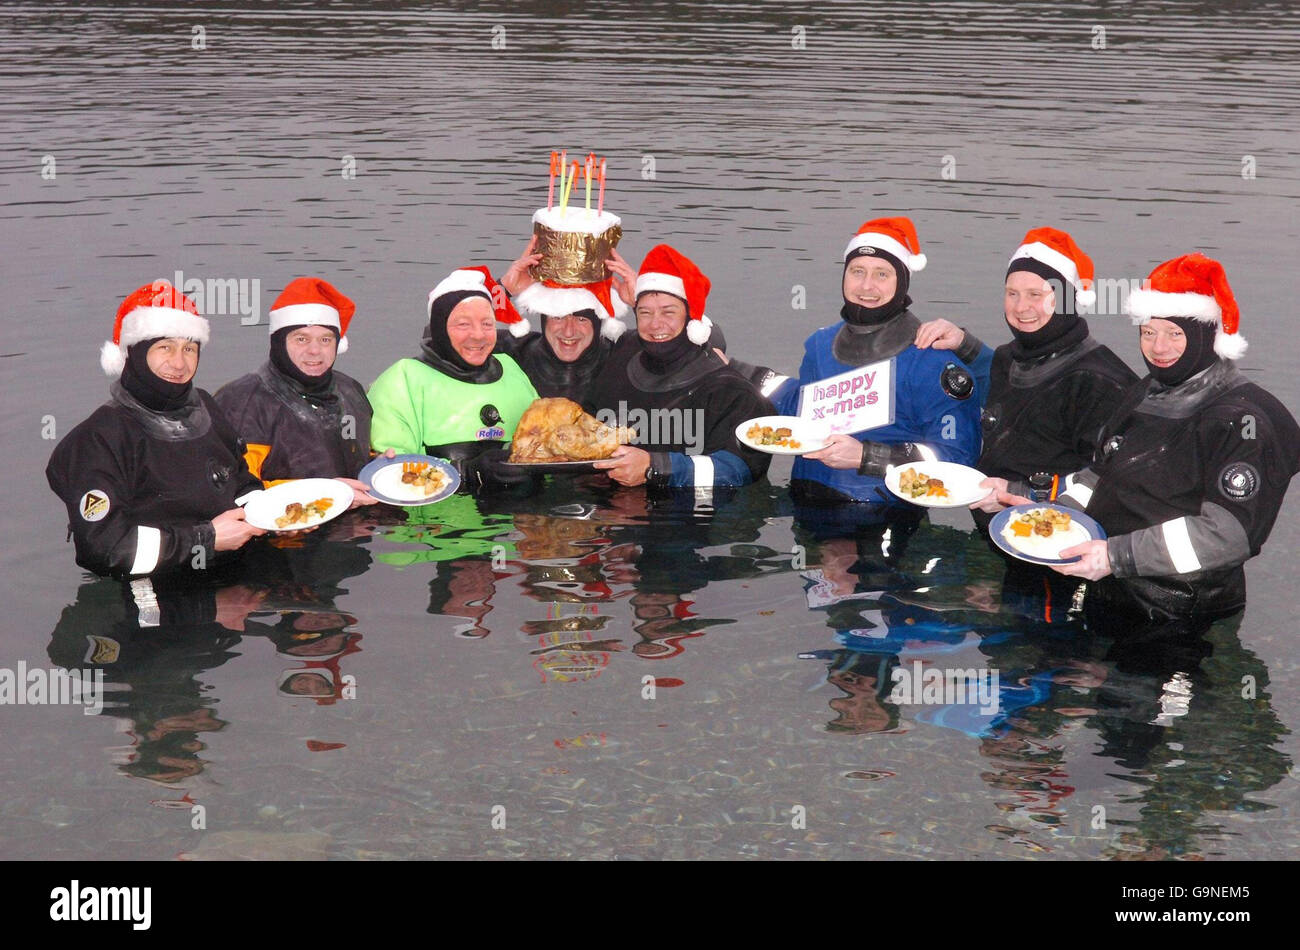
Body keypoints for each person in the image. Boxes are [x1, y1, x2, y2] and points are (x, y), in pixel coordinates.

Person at [989, 253, 1300, 619]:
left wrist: (1116, 555)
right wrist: (1050, 511)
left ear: (1205, 335)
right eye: (1149, 332)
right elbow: (1100, 475)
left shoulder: (1243, 419)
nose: (1159, 347)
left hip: (1182, 605)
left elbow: (1226, 536)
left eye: (1174, 333)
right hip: (1115, 583)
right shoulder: (1146, 390)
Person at [46, 280, 265, 578]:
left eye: (189, 348)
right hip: (149, 595)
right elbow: (103, 549)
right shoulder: (100, 438)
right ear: (135, 353)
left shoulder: (205, 406)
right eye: (165, 347)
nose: (179, 362)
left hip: (231, 574)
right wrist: (206, 539)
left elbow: (239, 480)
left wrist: (273, 515)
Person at [919, 228, 1137, 524]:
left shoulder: (1098, 382)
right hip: (999, 530)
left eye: (1036, 295)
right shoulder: (1010, 357)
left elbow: (1112, 482)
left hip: (1058, 544)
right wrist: (963, 344)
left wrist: (1017, 493)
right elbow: (1015, 391)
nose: (1021, 308)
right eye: (1012, 294)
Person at [768, 217, 984, 504]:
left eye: (882, 274)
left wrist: (868, 457)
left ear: (902, 282)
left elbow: (958, 460)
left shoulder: (933, 361)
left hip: (883, 517)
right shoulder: (819, 345)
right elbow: (803, 410)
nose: (867, 286)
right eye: (857, 271)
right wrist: (733, 372)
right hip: (803, 502)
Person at [584, 244, 775, 490]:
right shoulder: (621, 354)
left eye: (668, 312)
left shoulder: (730, 391)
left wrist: (656, 467)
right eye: (645, 313)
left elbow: (740, 470)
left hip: (688, 519)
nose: (655, 325)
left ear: (690, 318)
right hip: (607, 511)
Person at [367, 266, 540, 490]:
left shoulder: (512, 370)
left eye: (487, 323)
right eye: (463, 324)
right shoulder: (403, 381)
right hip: (436, 521)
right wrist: (465, 472)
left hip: (518, 519)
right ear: (439, 328)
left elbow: (546, 442)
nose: (478, 335)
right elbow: (388, 474)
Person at [215, 277, 378, 506]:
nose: (315, 351)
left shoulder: (350, 390)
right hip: (281, 534)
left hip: (355, 525)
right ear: (279, 342)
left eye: (325, 339)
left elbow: (358, 458)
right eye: (301, 339)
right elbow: (234, 491)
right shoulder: (243, 402)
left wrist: (381, 466)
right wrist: (325, 493)